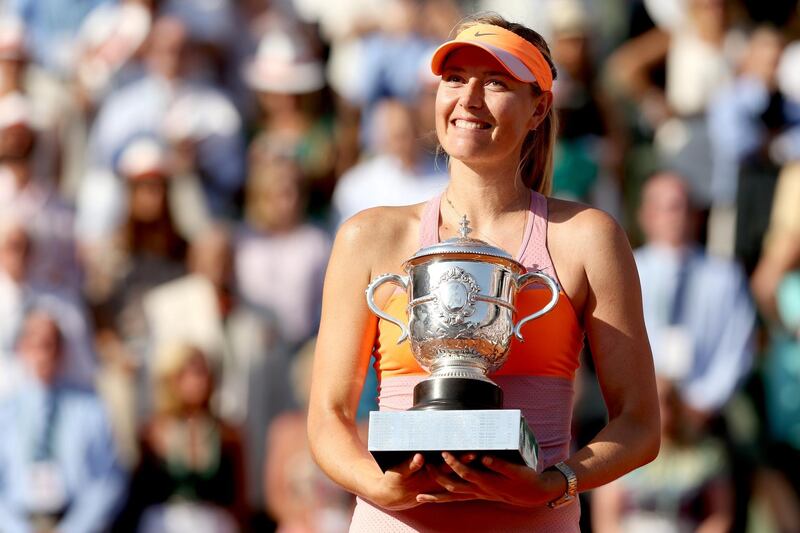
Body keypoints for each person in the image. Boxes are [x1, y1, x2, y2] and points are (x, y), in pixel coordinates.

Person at [308, 14, 660, 532]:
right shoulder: (369, 237)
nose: (469, 99)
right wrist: (379, 483)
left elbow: (640, 425)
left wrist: (555, 480)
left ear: (539, 107)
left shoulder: (588, 237)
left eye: (495, 82)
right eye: (455, 79)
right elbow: (327, 417)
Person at [634, 172, 755, 419]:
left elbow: (737, 346)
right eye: (668, 208)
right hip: (641, 411)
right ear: (646, 215)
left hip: (707, 413)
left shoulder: (724, 275)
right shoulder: (628, 270)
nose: (677, 217)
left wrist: (703, 403)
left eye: (684, 207)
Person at [0, 308, 127, 533]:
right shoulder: (6, 412)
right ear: (21, 348)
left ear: (62, 349)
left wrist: (74, 528)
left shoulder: (90, 409)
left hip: (74, 521)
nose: (43, 352)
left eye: (50, 343)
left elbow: (109, 479)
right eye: (34, 342)